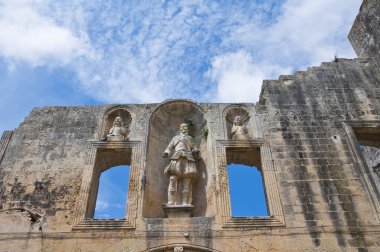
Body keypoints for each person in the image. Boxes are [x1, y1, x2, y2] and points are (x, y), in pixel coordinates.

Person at [163, 123, 199, 205]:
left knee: (187, 181)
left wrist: (196, 151)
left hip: (188, 157)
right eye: (182, 127)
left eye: (185, 127)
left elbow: (195, 148)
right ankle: (171, 202)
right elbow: (169, 147)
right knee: (172, 178)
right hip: (176, 157)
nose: (184, 128)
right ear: (180, 128)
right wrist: (167, 152)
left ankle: (185, 202)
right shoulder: (175, 138)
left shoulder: (190, 138)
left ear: (187, 129)